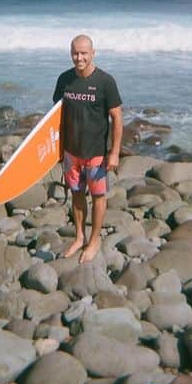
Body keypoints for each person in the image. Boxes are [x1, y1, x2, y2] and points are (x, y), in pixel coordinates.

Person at [52, 34, 123, 264]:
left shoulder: (105, 82)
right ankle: (79, 236)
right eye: (75, 53)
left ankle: (94, 241)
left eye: (83, 53)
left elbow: (117, 118)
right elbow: (55, 118)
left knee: (98, 197)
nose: (79, 57)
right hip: (72, 152)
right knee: (76, 194)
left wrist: (114, 152)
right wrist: (56, 150)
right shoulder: (64, 80)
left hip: (96, 155)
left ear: (93, 53)